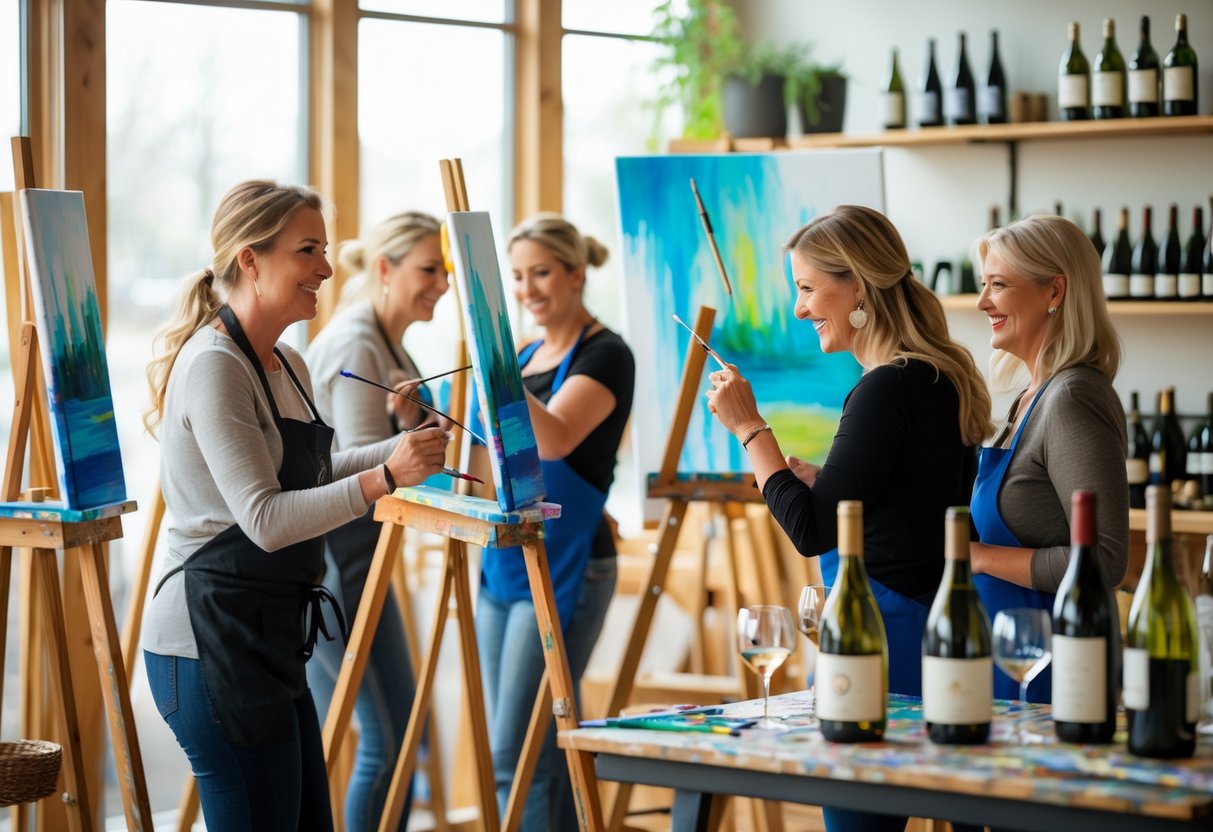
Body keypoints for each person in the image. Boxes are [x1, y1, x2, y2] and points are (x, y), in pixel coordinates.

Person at [141, 180, 448, 832]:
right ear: (250, 260)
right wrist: (382, 478)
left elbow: (309, 474)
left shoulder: (287, 363)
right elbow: (266, 519)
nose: (329, 269)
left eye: (326, 249)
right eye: (307, 250)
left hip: (267, 637)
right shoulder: (214, 365)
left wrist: (398, 453)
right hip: (204, 643)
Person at [706, 204, 991, 832]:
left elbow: (812, 530)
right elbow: (898, 504)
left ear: (856, 286)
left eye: (808, 288)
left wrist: (749, 429)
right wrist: (821, 480)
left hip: (876, 642)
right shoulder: (938, 377)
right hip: (936, 629)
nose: (801, 308)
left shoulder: (885, 387)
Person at [474, 213, 634, 830]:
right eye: (515, 277)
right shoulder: (523, 353)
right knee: (531, 749)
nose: (527, 290)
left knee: (515, 756)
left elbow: (561, 436)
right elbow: (493, 457)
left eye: (540, 273)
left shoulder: (607, 353)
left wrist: (496, 372)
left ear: (575, 274)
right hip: (505, 560)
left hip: (571, 564)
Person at [303, 211, 448, 830]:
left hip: (359, 567)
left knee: (383, 739)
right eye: (429, 269)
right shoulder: (358, 341)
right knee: (387, 742)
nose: (442, 283)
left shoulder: (390, 342)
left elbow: (400, 455)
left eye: (445, 270)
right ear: (384, 270)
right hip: (338, 571)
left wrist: (418, 423)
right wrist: (417, 434)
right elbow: (362, 475)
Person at [969, 214, 1128, 702]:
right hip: (1011, 659)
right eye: (983, 284)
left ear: (1054, 292)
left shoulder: (1072, 397)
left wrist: (977, 558)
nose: (982, 302)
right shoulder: (1027, 398)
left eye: (998, 285)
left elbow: (1103, 560)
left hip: (1059, 670)